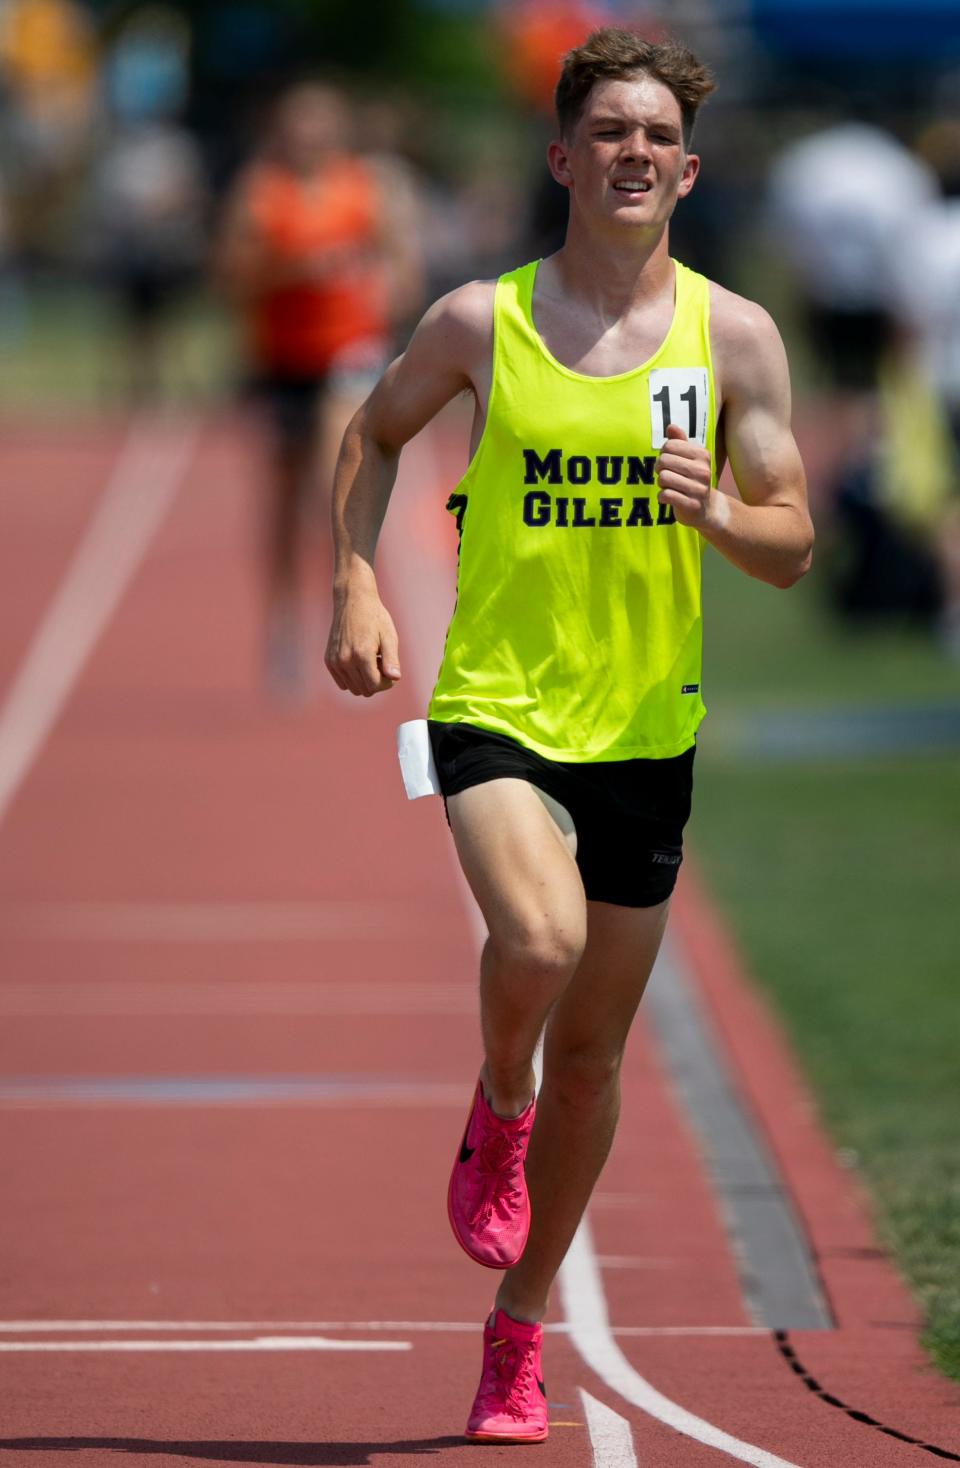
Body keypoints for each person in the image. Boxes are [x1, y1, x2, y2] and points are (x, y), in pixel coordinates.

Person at [326, 28, 813, 1444]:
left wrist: (719, 512)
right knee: (534, 946)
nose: (634, 152)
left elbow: (788, 545)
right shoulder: (486, 320)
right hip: (498, 703)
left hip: (647, 730)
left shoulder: (736, 339)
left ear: (690, 167)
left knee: (601, 1054)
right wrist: (357, 579)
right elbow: (372, 436)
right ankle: (496, 1102)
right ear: (563, 158)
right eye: (608, 131)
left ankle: (520, 1327)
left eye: (656, 134)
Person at [217, 82, 399, 698]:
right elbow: (232, 277)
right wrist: (298, 268)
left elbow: (398, 260)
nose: (308, 136)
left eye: (319, 124)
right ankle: (284, 626)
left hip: (346, 354)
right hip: (281, 360)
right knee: (284, 502)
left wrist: (383, 294)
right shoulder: (260, 193)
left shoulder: (362, 186)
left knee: (335, 482)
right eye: (297, 125)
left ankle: (350, 624)